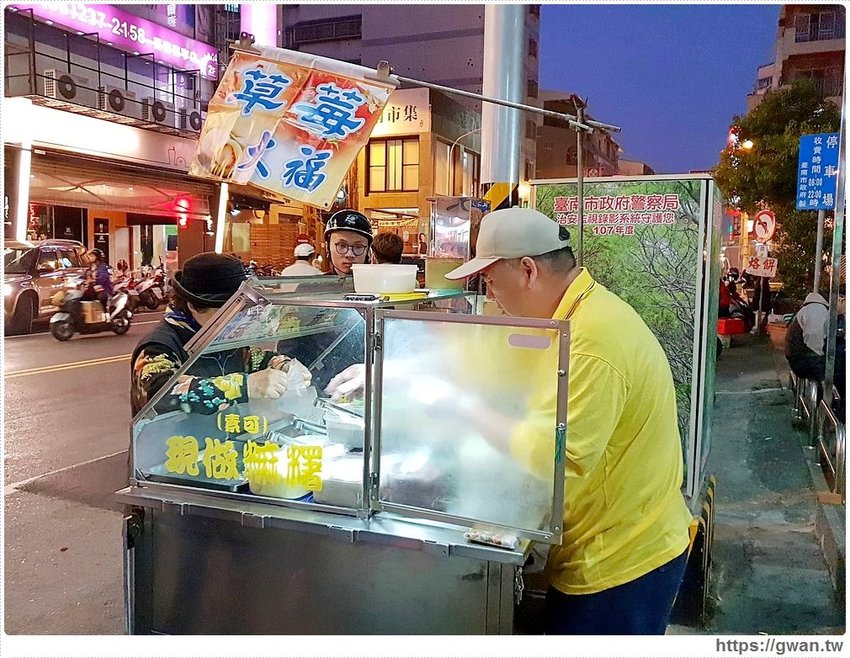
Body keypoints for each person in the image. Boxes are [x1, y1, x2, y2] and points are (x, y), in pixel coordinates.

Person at [331, 207, 690, 634]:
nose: (492, 295)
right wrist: (391, 374)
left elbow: (553, 458)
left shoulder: (593, 340)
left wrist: (461, 407)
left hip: (622, 557)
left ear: (527, 271)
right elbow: (485, 363)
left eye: (492, 281)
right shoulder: (562, 316)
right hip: (600, 541)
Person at [130, 252, 310, 416]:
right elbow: (160, 394)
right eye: (227, 310)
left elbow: (256, 359)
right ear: (193, 306)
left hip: (221, 445)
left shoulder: (225, 335)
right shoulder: (158, 346)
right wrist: (245, 386)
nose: (236, 318)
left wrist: (285, 366)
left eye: (240, 309)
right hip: (175, 448)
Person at [785, 292, 830, 383]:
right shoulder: (817, 310)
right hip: (805, 359)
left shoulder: (811, 307)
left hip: (799, 356)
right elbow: (814, 340)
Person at [323, 209, 373, 275]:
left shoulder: (376, 283)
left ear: (368, 251)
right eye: (342, 245)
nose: (350, 254)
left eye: (358, 247)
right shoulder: (316, 284)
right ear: (327, 247)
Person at [84, 248, 113, 313]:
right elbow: (83, 276)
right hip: (92, 289)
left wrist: (92, 282)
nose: (89, 257)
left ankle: (105, 315)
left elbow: (102, 278)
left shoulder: (103, 267)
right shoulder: (90, 267)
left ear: (97, 257)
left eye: (92, 256)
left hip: (104, 290)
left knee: (100, 297)